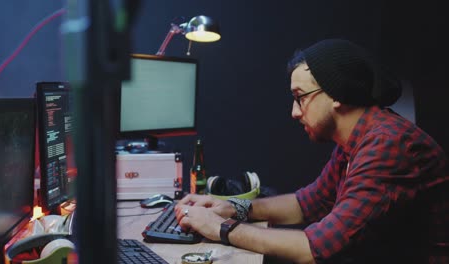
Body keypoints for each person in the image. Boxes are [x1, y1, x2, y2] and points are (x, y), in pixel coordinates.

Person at [174, 39, 449, 264]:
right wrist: (234, 208)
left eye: (300, 97)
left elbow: (315, 247)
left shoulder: (389, 145)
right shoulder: (356, 140)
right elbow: (309, 203)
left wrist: (218, 228)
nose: (294, 112)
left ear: (337, 93)